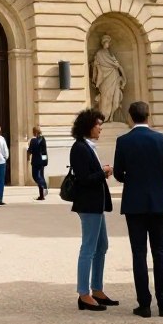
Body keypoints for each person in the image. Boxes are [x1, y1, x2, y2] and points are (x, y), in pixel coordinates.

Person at [113, 101, 163, 318]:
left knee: (138, 254)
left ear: (131, 117)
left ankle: (144, 304)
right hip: (158, 201)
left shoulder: (123, 141)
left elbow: (118, 173)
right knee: (160, 253)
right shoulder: (161, 139)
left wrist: (131, 180)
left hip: (134, 202)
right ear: (148, 116)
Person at [69, 108, 118, 311]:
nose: (100, 129)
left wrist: (100, 172)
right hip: (88, 204)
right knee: (88, 248)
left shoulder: (88, 146)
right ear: (88, 126)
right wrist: (103, 172)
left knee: (101, 246)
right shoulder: (80, 148)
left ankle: (97, 289)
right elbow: (83, 179)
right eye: (98, 124)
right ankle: (83, 294)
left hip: (95, 204)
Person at [91, 34, 126, 121]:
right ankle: (103, 116)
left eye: (108, 42)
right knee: (105, 96)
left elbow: (116, 64)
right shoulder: (99, 53)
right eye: (106, 42)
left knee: (112, 96)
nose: (108, 44)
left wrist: (122, 75)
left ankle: (111, 117)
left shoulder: (110, 54)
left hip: (113, 76)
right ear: (103, 43)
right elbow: (96, 66)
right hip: (104, 78)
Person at [28, 125, 48, 200]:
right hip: (41, 161)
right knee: (41, 176)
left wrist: (28, 154)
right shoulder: (43, 139)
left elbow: (30, 151)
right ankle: (42, 195)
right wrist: (45, 161)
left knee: (35, 176)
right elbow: (44, 151)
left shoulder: (33, 141)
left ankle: (44, 187)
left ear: (35, 132)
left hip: (35, 161)